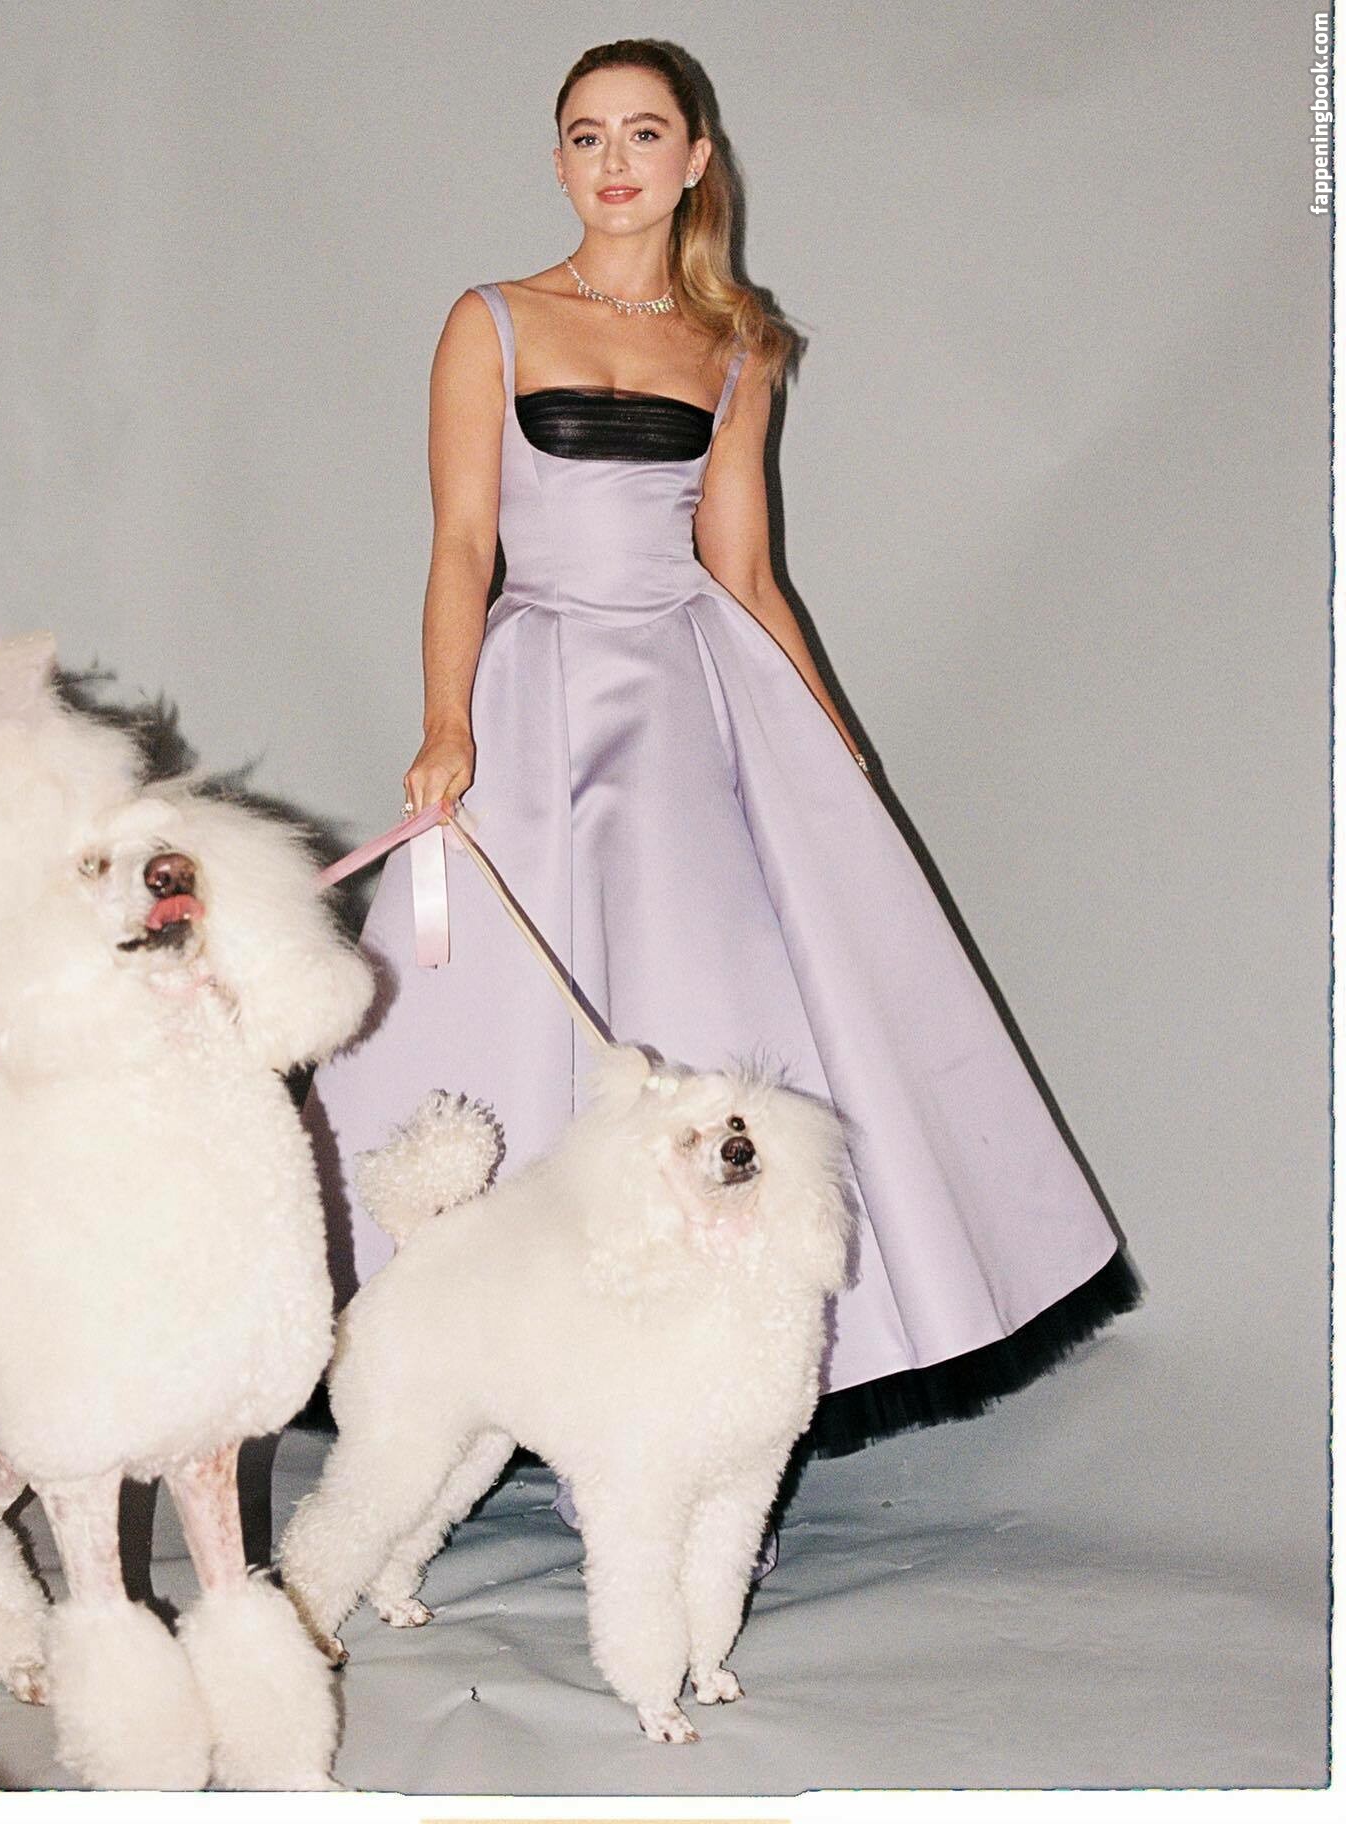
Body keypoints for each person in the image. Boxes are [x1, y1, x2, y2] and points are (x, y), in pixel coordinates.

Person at [304, 38, 1140, 1551]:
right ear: (557, 160)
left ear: (695, 158)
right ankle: (497, 1359)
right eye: (585, 135)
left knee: (702, 1002)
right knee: (504, 1020)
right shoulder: (491, 320)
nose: (613, 161)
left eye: (644, 134)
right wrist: (444, 723)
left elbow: (743, 570)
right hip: (535, 696)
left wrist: (834, 743)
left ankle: (688, 1388)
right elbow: (462, 546)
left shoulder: (738, 344)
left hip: (684, 702)